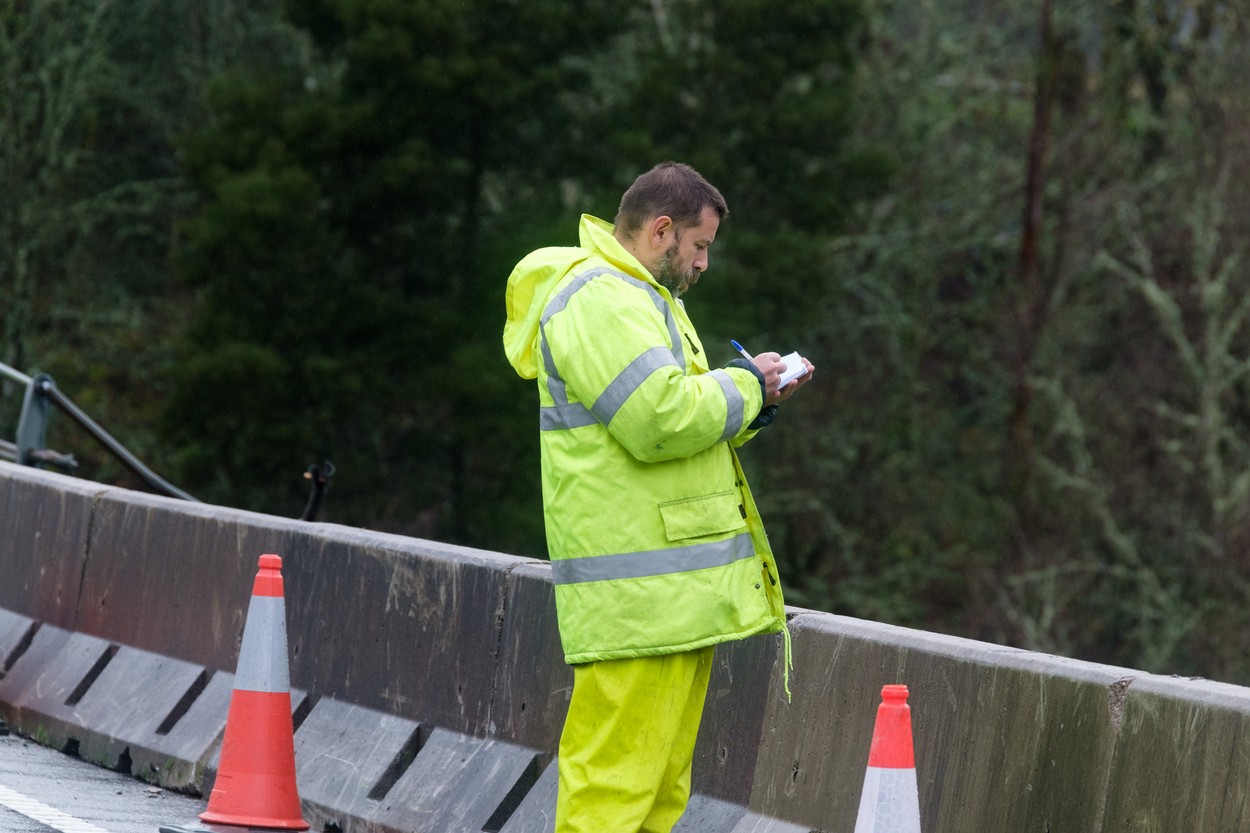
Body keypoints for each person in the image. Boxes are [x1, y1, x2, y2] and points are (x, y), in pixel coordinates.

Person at [502, 161, 814, 833]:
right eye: (699, 245)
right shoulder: (599, 298)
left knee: (656, 794)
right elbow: (658, 419)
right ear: (661, 230)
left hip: (666, 598)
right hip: (636, 601)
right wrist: (746, 385)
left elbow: (679, 428)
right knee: (613, 793)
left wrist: (754, 397)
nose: (703, 263)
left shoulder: (644, 299)